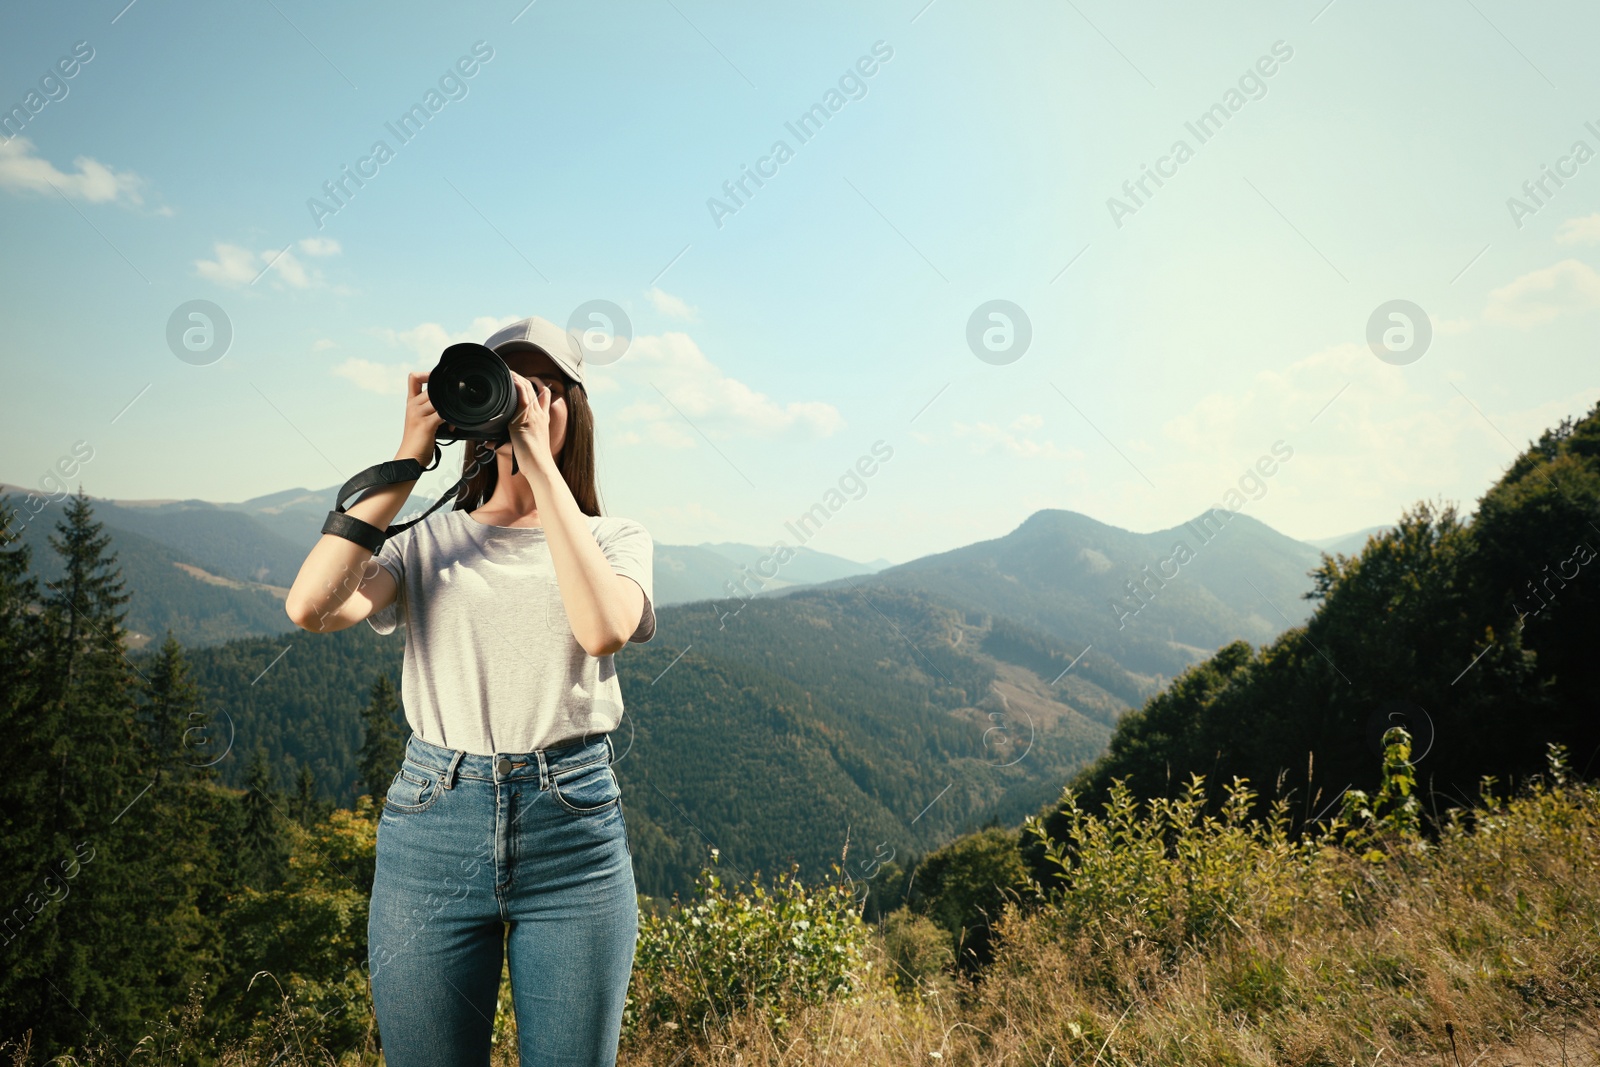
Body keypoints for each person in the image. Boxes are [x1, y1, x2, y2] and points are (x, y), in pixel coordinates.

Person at [283, 316, 656, 1067]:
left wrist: (541, 470)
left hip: (572, 834)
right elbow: (312, 607)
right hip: (433, 820)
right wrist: (407, 459)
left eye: (540, 388)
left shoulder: (615, 538)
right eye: (505, 385)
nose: (521, 402)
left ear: (570, 411)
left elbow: (602, 630)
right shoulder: (427, 542)